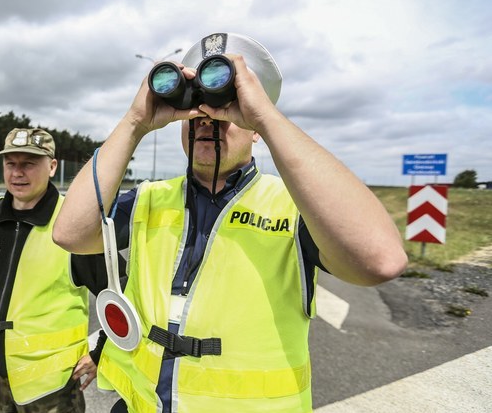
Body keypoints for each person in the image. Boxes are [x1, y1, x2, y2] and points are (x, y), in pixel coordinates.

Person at [52, 32, 408, 412]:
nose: (208, 119)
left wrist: (267, 118)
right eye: (198, 109)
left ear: (255, 127)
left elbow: (379, 260)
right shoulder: (150, 198)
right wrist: (135, 121)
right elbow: (70, 233)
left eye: (226, 107)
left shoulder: (291, 207)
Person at [0, 127, 110, 413]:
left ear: (51, 167)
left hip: (50, 394)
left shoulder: (73, 224)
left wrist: (103, 352)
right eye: (11, 163)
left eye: (29, 163)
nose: (17, 173)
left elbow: (120, 293)